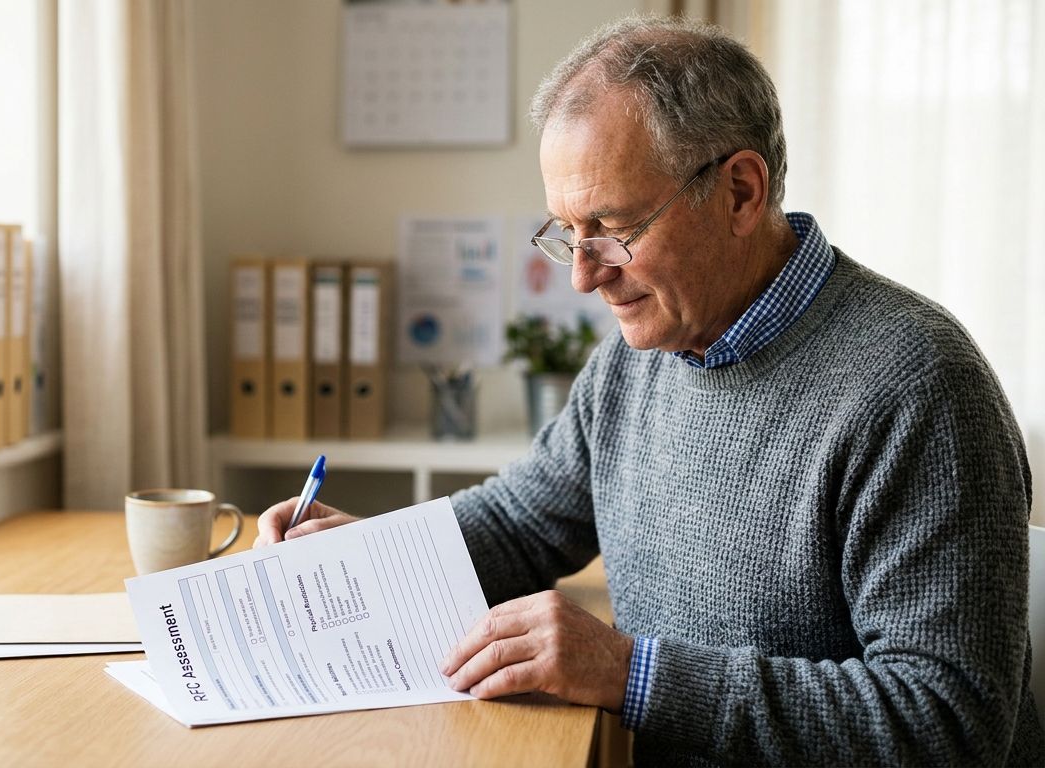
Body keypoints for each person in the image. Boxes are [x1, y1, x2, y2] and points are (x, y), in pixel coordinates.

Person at [255, 14, 1044, 767]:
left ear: (739, 192)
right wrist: (366, 558)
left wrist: (632, 676)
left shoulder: (920, 386)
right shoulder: (641, 355)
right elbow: (524, 522)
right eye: (566, 231)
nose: (583, 273)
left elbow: (946, 724)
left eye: (613, 228)